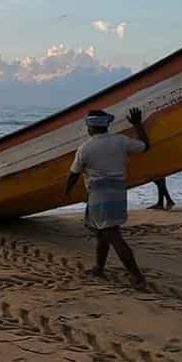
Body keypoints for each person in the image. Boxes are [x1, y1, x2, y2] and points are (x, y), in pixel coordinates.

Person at [64, 108, 150, 290]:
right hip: (119, 192)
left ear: (90, 127)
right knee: (102, 232)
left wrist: (67, 192)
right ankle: (99, 268)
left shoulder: (85, 148)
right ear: (106, 125)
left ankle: (137, 276)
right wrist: (137, 124)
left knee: (112, 235)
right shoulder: (121, 141)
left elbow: (73, 174)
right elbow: (145, 145)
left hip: (99, 194)